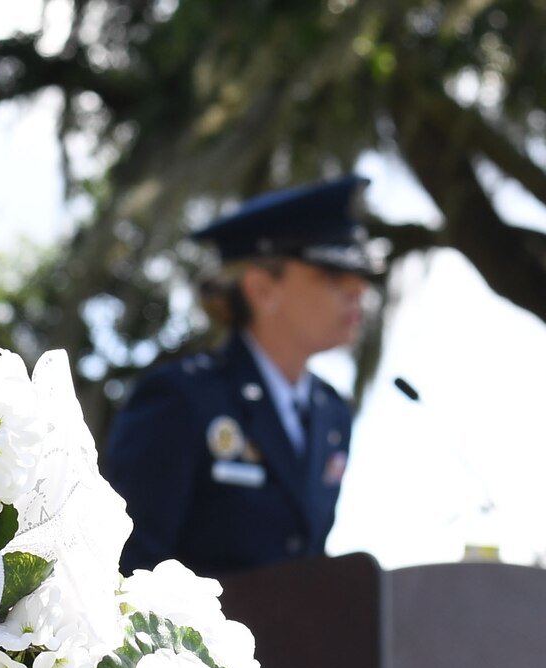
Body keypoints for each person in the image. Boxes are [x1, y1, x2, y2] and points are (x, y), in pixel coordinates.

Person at [103, 175, 381, 576]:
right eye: (334, 276)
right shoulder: (181, 398)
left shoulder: (332, 414)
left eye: (360, 277)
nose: (358, 291)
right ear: (262, 289)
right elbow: (129, 565)